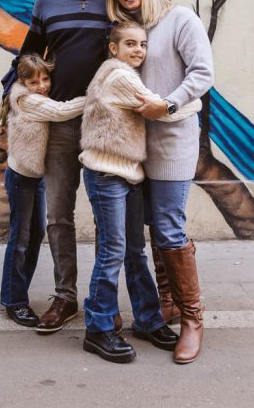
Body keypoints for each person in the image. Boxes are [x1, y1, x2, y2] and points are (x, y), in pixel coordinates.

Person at [106, 0, 214, 365]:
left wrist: (167, 103)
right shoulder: (130, 31)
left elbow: (203, 73)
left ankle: (192, 318)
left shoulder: (180, 18)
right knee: (152, 224)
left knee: (169, 226)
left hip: (172, 138)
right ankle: (165, 302)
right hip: (136, 143)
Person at [9, 0, 111, 334]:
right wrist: (15, 98)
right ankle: (65, 296)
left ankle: (103, 300)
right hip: (61, 127)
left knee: (110, 218)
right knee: (58, 217)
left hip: (107, 127)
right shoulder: (46, 0)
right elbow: (29, 56)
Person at [78, 21, 200, 363]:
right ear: (113, 48)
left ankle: (147, 319)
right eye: (130, 44)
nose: (139, 50)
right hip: (107, 175)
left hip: (127, 173)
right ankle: (98, 328)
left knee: (134, 250)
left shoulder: (117, 73)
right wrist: (193, 103)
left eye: (143, 45)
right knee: (113, 251)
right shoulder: (120, 76)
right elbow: (160, 108)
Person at [0, 54, 85, 327]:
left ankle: (15, 293)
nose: (42, 85)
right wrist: (95, 95)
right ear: (22, 82)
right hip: (22, 177)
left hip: (35, 176)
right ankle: (14, 301)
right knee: (21, 238)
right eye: (34, 81)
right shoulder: (26, 99)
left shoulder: (36, 94)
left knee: (34, 235)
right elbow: (60, 111)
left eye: (46, 79)